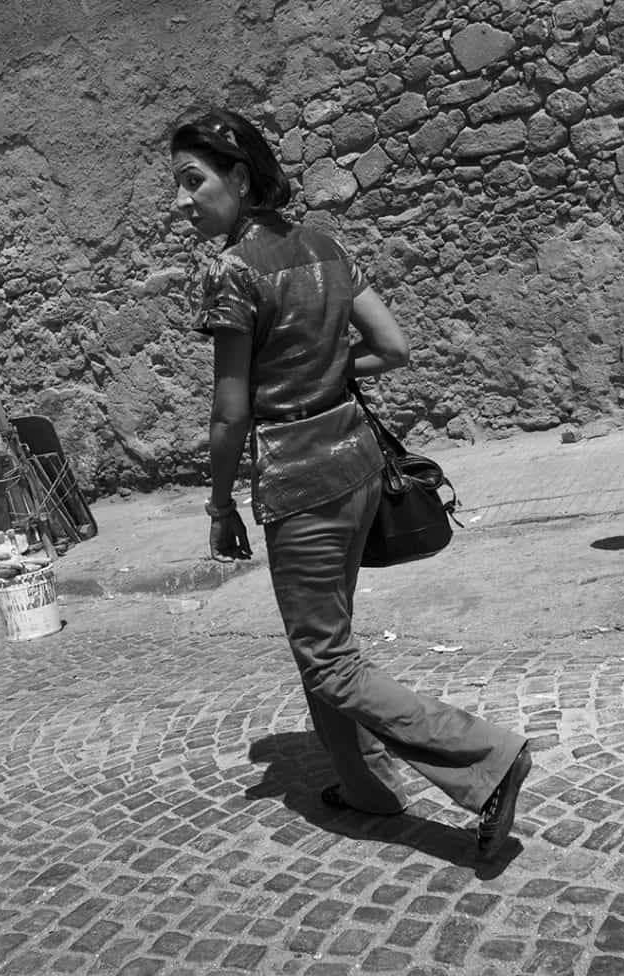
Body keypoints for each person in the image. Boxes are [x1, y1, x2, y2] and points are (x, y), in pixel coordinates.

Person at [170, 109, 531, 858]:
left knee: (330, 661)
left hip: (300, 480)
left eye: (191, 181)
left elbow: (230, 414)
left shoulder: (231, 270)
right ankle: (363, 787)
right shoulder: (326, 245)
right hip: (358, 460)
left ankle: (487, 757)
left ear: (237, 179)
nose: (182, 200)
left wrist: (216, 504)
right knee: (323, 646)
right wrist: (333, 368)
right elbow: (392, 347)